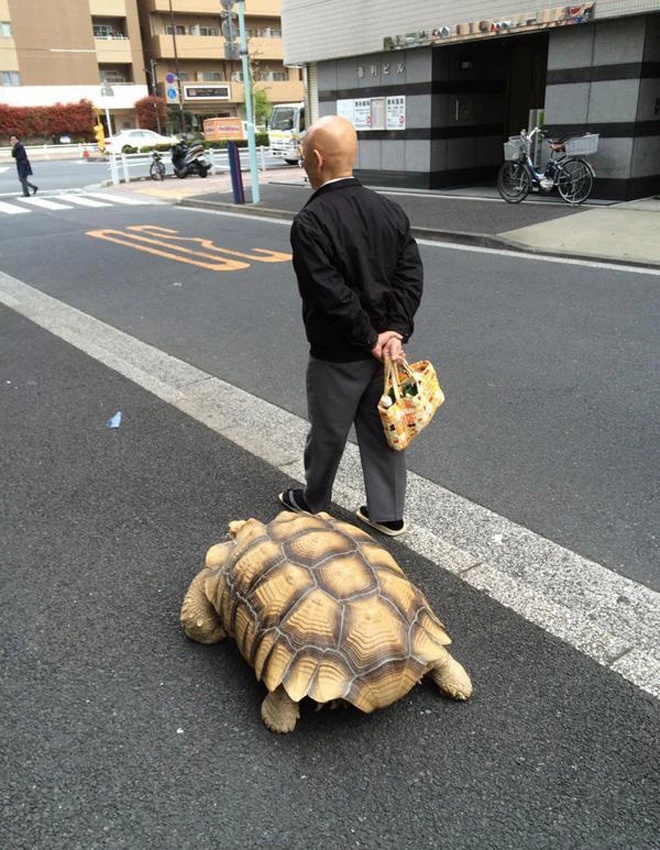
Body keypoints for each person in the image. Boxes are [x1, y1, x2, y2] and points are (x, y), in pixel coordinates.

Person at [278, 114, 423, 536]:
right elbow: (409, 276)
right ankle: (387, 513)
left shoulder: (311, 221)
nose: (304, 164)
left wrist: (368, 337)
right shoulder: (389, 210)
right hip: (388, 354)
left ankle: (314, 501)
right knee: (385, 431)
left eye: (304, 158)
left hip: (338, 353)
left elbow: (328, 294)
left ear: (317, 159)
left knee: (328, 431)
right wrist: (394, 331)